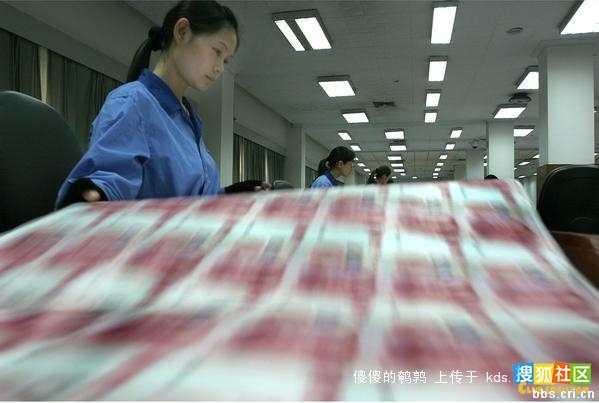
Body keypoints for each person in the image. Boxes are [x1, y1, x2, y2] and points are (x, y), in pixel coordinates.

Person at [55, 0, 267, 209]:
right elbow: (108, 181)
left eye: (226, 60)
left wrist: (227, 195)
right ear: (182, 32)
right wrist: (94, 194)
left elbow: (186, 199)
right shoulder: (133, 103)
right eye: (218, 51)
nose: (220, 68)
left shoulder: (187, 117)